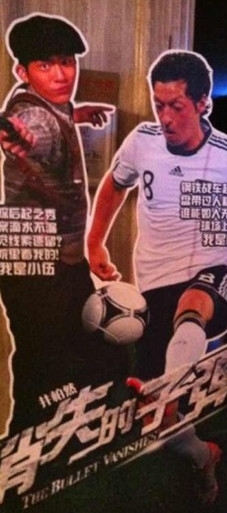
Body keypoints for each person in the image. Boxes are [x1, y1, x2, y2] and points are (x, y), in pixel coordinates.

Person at [87, 50, 227, 505]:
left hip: (211, 275)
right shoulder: (143, 140)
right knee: (159, 425)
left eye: (176, 105)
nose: (166, 116)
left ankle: (171, 388)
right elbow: (115, 184)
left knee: (191, 309)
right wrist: (95, 244)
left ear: (202, 103)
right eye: (159, 105)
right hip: (154, 284)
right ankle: (201, 455)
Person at [0, 13, 129, 436]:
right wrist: (16, 138)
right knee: (47, 370)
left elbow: (50, 113)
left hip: (53, 262)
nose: (61, 75)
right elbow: (29, 133)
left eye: (67, 62)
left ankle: (49, 452)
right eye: (45, 65)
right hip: (41, 269)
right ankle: (24, 463)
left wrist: (77, 112)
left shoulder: (48, 105)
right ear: (22, 71)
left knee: (80, 359)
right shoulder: (32, 119)